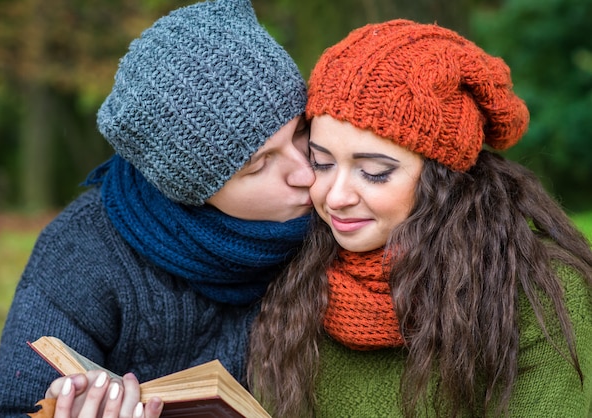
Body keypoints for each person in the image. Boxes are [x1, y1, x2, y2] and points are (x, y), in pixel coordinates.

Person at [0, 0, 315, 416]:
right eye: (260, 164)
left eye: (300, 132)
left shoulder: (343, 216)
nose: (307, 173)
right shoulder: (82, 253)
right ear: (189, 188)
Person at [248, 19, 592, 417]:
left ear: (442, 177)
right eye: (321, 163)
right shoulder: (296, 275)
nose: (336, 197)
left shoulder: (536, 292)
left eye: (374, 171)